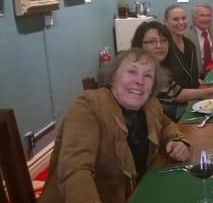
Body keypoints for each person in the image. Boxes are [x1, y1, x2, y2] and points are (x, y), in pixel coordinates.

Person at [39, 48, 191, 203]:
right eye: (131, 71)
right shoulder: (88, 107)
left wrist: (176, 140)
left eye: (148, 75)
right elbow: (76, 171)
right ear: (112, 77)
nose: (140, 80)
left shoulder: (150, 105)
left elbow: (166, 125)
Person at [131, 21, 213, 120]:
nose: (159, 45)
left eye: (164, 40)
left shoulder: (161, 69)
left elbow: (177, 94)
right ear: (139, 44)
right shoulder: (137, 75)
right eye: (152, 42)